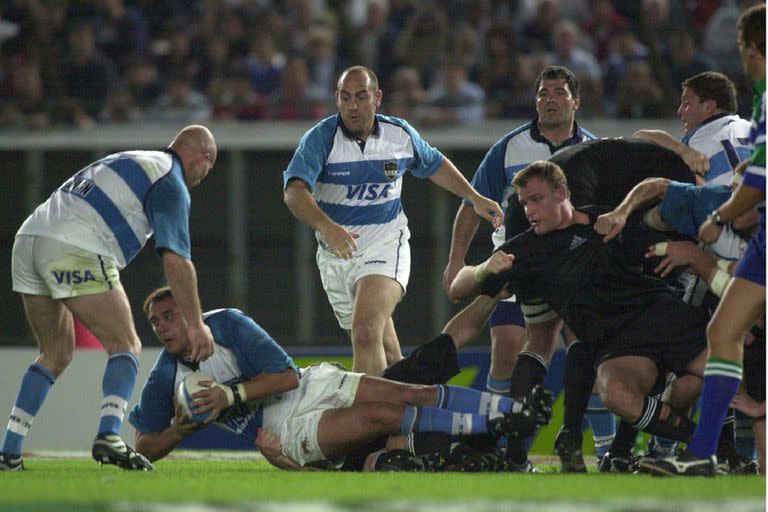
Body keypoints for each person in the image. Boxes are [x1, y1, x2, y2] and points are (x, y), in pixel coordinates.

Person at [451, 160, 709, 469]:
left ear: (562, 193)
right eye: (524, 203)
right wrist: (483, 268)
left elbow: (660, 189)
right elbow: (457, 289)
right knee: (617, 394)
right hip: (620, 347)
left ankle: (699, 451)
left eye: (537, 199)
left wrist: (627, 213)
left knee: (736, 378)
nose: (529, 210)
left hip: (666, 319)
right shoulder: (524, 252)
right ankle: (705, 447)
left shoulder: (608, 219)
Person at [129, 286, 552, 470]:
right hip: (284, 429)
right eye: (155, 323)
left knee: (412, 390)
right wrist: (181, 429)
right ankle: (483, 436)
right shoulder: (166, 374)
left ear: (190, 311)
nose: (162, 327)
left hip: (310, 385)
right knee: (385, 417)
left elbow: (287, 378)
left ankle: (511, 412)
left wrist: (228, 395)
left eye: (170, 315)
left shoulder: (228, 325)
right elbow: (144, 445)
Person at [0, 125, 217, 472]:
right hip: (75, 245)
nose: (204, 177)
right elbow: (176, 259)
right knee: (126, 345)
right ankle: (110, 435)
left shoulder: (134, 158)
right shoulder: (171, 181)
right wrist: (195, 324)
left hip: (29, 238)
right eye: (209, 168)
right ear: (204, 158)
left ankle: (9, 449)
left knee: (54, 353)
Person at [283, 65, 503, 375]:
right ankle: (408, 411)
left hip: (385, 246)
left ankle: (369, 421)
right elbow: (294, 192)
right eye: (345, 98)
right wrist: (326, 226)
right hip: (336, 254)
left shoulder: (398, 135)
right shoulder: (320, 139)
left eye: (361, 97)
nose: (353, 106)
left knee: (365, 332)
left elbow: (435, 164)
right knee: (386, 352)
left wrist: (474, 197)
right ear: (337, 99)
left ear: (377, 98)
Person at [639, 4, 765, 476]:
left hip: (747, 233)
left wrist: (719, 216)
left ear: (754, 50)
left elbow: (758, 180)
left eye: (742, 50)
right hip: (759, 239)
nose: (744, 60)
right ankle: (702, 454)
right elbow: (752, 171)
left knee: (724, 333)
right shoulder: (754, 110)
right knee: (723, 333)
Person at [443, 65, 595, 404]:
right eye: (543, 93)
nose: (550, 99)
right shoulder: (509, 147)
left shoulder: (595, 150)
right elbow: (473, 204)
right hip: (516, 262)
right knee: (507, 349)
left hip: (575, 268)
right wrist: (456, 262)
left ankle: (605, 451)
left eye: (559, 93)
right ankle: (500, 441)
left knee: (590, 352)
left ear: (576, 102)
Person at [634, 71, 752, 186]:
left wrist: (683, 150)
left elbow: (639, 137)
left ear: (708, 107)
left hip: (724, 204)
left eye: (686, 103)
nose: (679, 111)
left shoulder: (697, 140)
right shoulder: (754, 129)